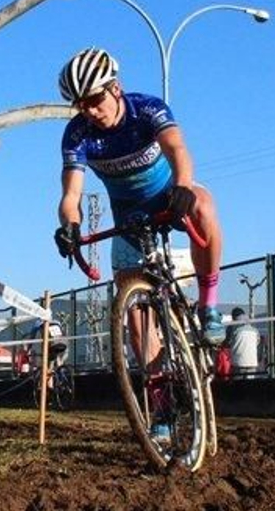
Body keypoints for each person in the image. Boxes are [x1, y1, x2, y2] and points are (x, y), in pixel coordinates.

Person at [52, 46, 228, 342]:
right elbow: (71, 194)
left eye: (95, 100)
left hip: (169, 195)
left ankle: (208, 305)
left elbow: (177, 149)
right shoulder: (77, 134)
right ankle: (151, 372)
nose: (90, 111)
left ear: (115, 88)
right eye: (81, 105)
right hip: (128, 215)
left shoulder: (146, 109)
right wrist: (70, 226)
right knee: (133, 312)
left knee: (204, 207)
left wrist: (183, 187)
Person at [227, 307, 262, 376]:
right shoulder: (254, 329)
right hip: (252, 362)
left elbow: (227, 342)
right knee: (250, 382)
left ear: (234, 317)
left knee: (238, 381)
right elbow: (258, 342)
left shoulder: (232, 327)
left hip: (238, 362)